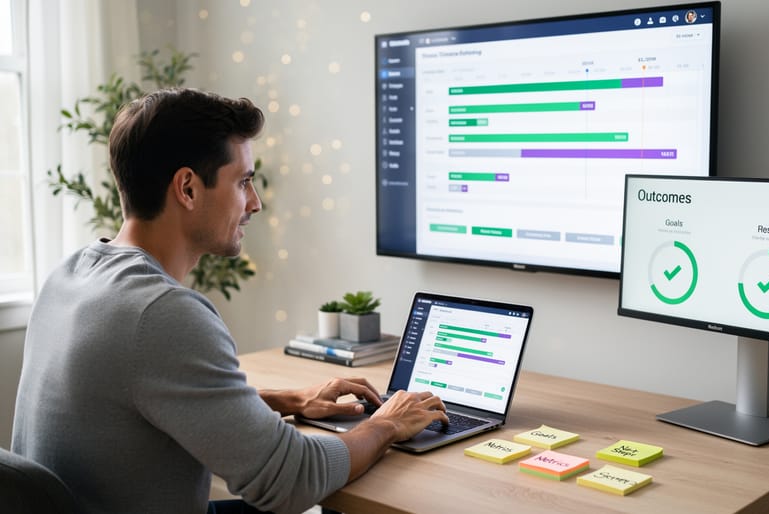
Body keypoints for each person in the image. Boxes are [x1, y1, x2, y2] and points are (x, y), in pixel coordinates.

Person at [12, 88, 449, 514]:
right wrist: (387, 422)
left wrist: (287, 400)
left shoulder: (70, 275)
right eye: (243, 182)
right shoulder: (162, 314)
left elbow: (148, 403)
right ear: (187, 188)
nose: (255, 204)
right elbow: (292, 481)